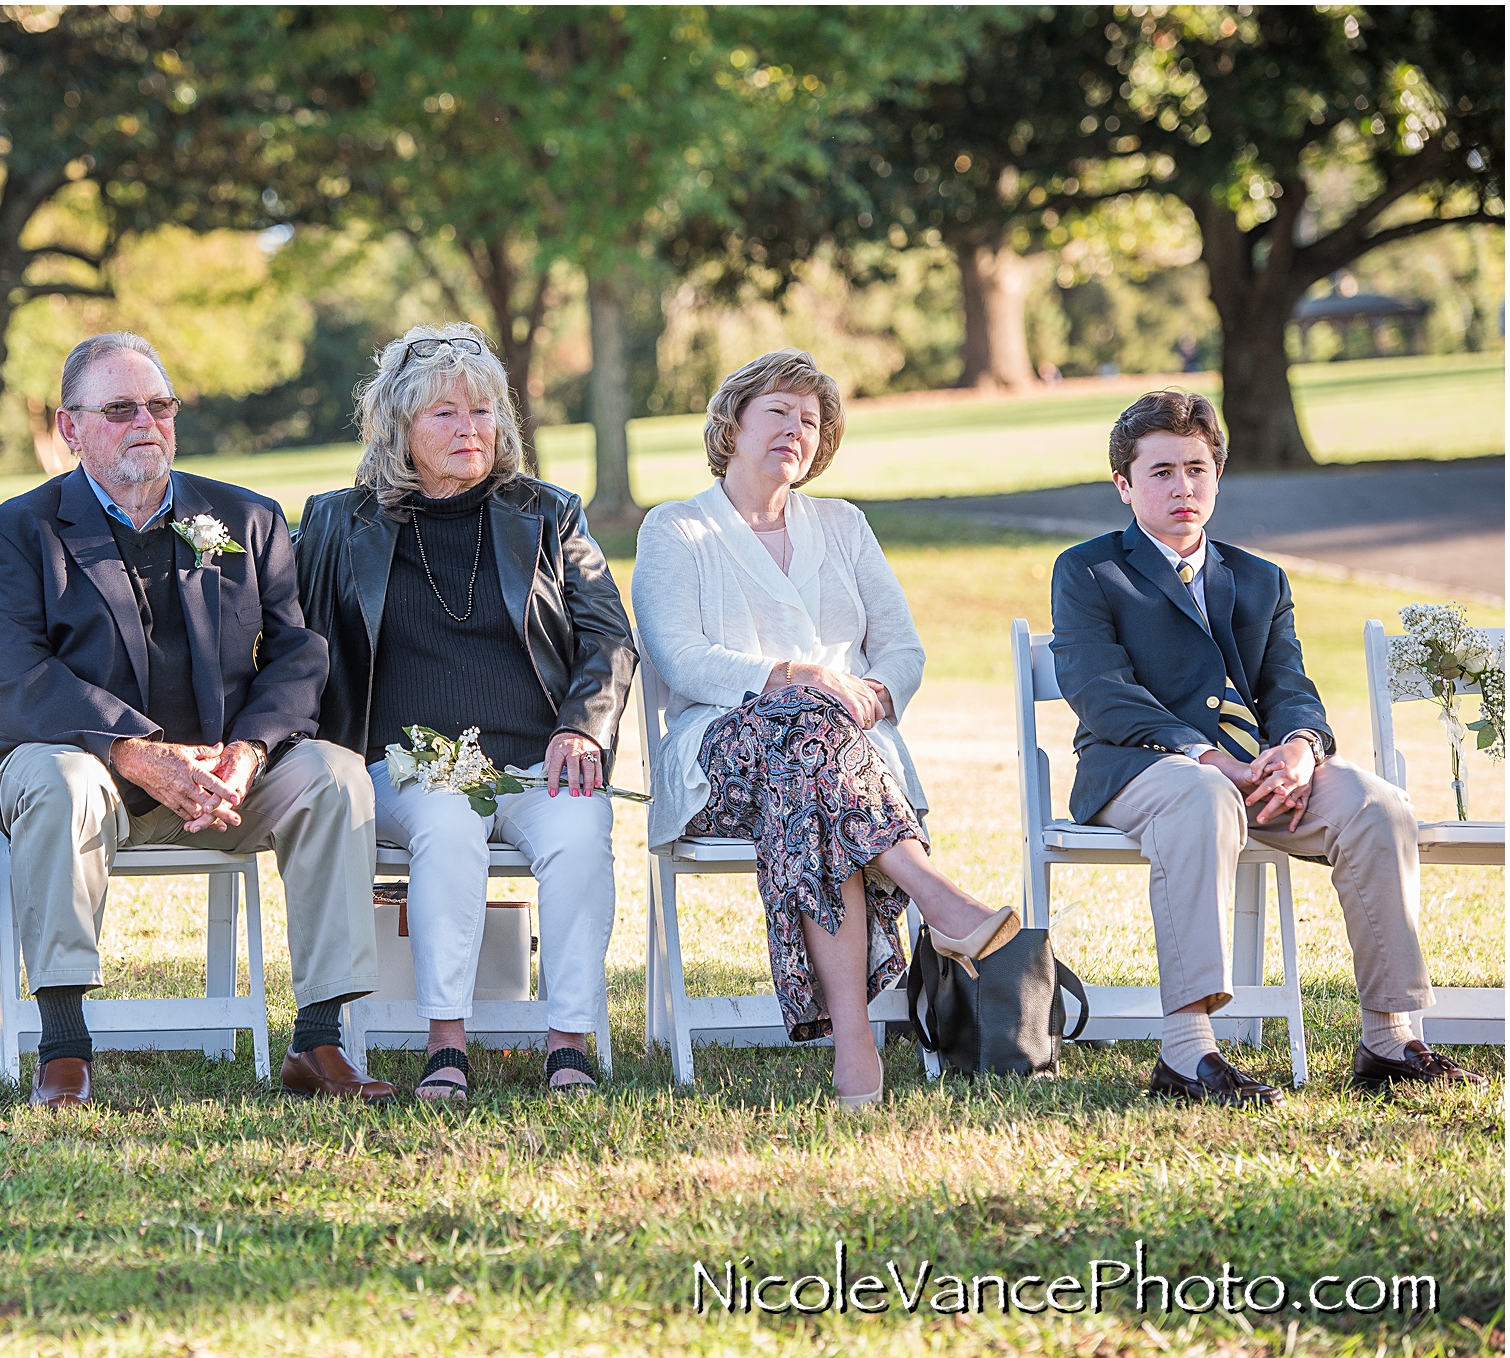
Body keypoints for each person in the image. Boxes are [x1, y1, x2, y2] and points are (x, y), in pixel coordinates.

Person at [0, 332, 394, 1108]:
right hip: (78, 764)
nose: (145, 424)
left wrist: (250, 751)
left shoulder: (246, 518)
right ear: (69, 427)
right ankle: (64, 1048)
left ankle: (319, 1039)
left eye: (159, 406)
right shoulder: (12, 534)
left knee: (335, 775)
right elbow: (4, 670)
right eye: (120, 409)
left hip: (225, 779)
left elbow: (297, 652)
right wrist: (130, 749)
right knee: (62, 781)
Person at [1051, 390, 1485, 1104]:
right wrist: (1205, 754)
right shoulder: (1090, 570)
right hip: (1143, 770)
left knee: (1378, 805)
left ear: (1217, 476)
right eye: (1161, 471)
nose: (1182, 486)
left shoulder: (1260, 577)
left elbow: (1289, 684)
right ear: (1123, 485)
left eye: (1197, 467)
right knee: (1202, 794)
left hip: (1260, 773)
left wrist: (1302, 748)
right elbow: (1100, 690)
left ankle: (1388, 1037)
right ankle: (1186, 1052)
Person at [633, 349, 1021, 1110]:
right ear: (731, 424)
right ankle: (938, 899)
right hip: (719, 758)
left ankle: (856, 1048)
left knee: (814, 780)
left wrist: (869, 696)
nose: (795, 429)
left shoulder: (844, 525)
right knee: (806, 732)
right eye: (777, 411)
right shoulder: (676, 529)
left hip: (841, 764)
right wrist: (800, 677)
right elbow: (680, 658)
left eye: (809, 420)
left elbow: (902, 650)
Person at [296, 323, 636, 1100]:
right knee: (448, 824)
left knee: (581, 830)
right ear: (399, 429)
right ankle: (445, 1042)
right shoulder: (337, 522)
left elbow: (608, 634)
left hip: (535, 759)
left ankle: (568, 1041)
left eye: (482, 412)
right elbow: (288, 636)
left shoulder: (551, 514)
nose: (469, 429)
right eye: (444, 414)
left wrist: (583, 723)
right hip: (401, 766)